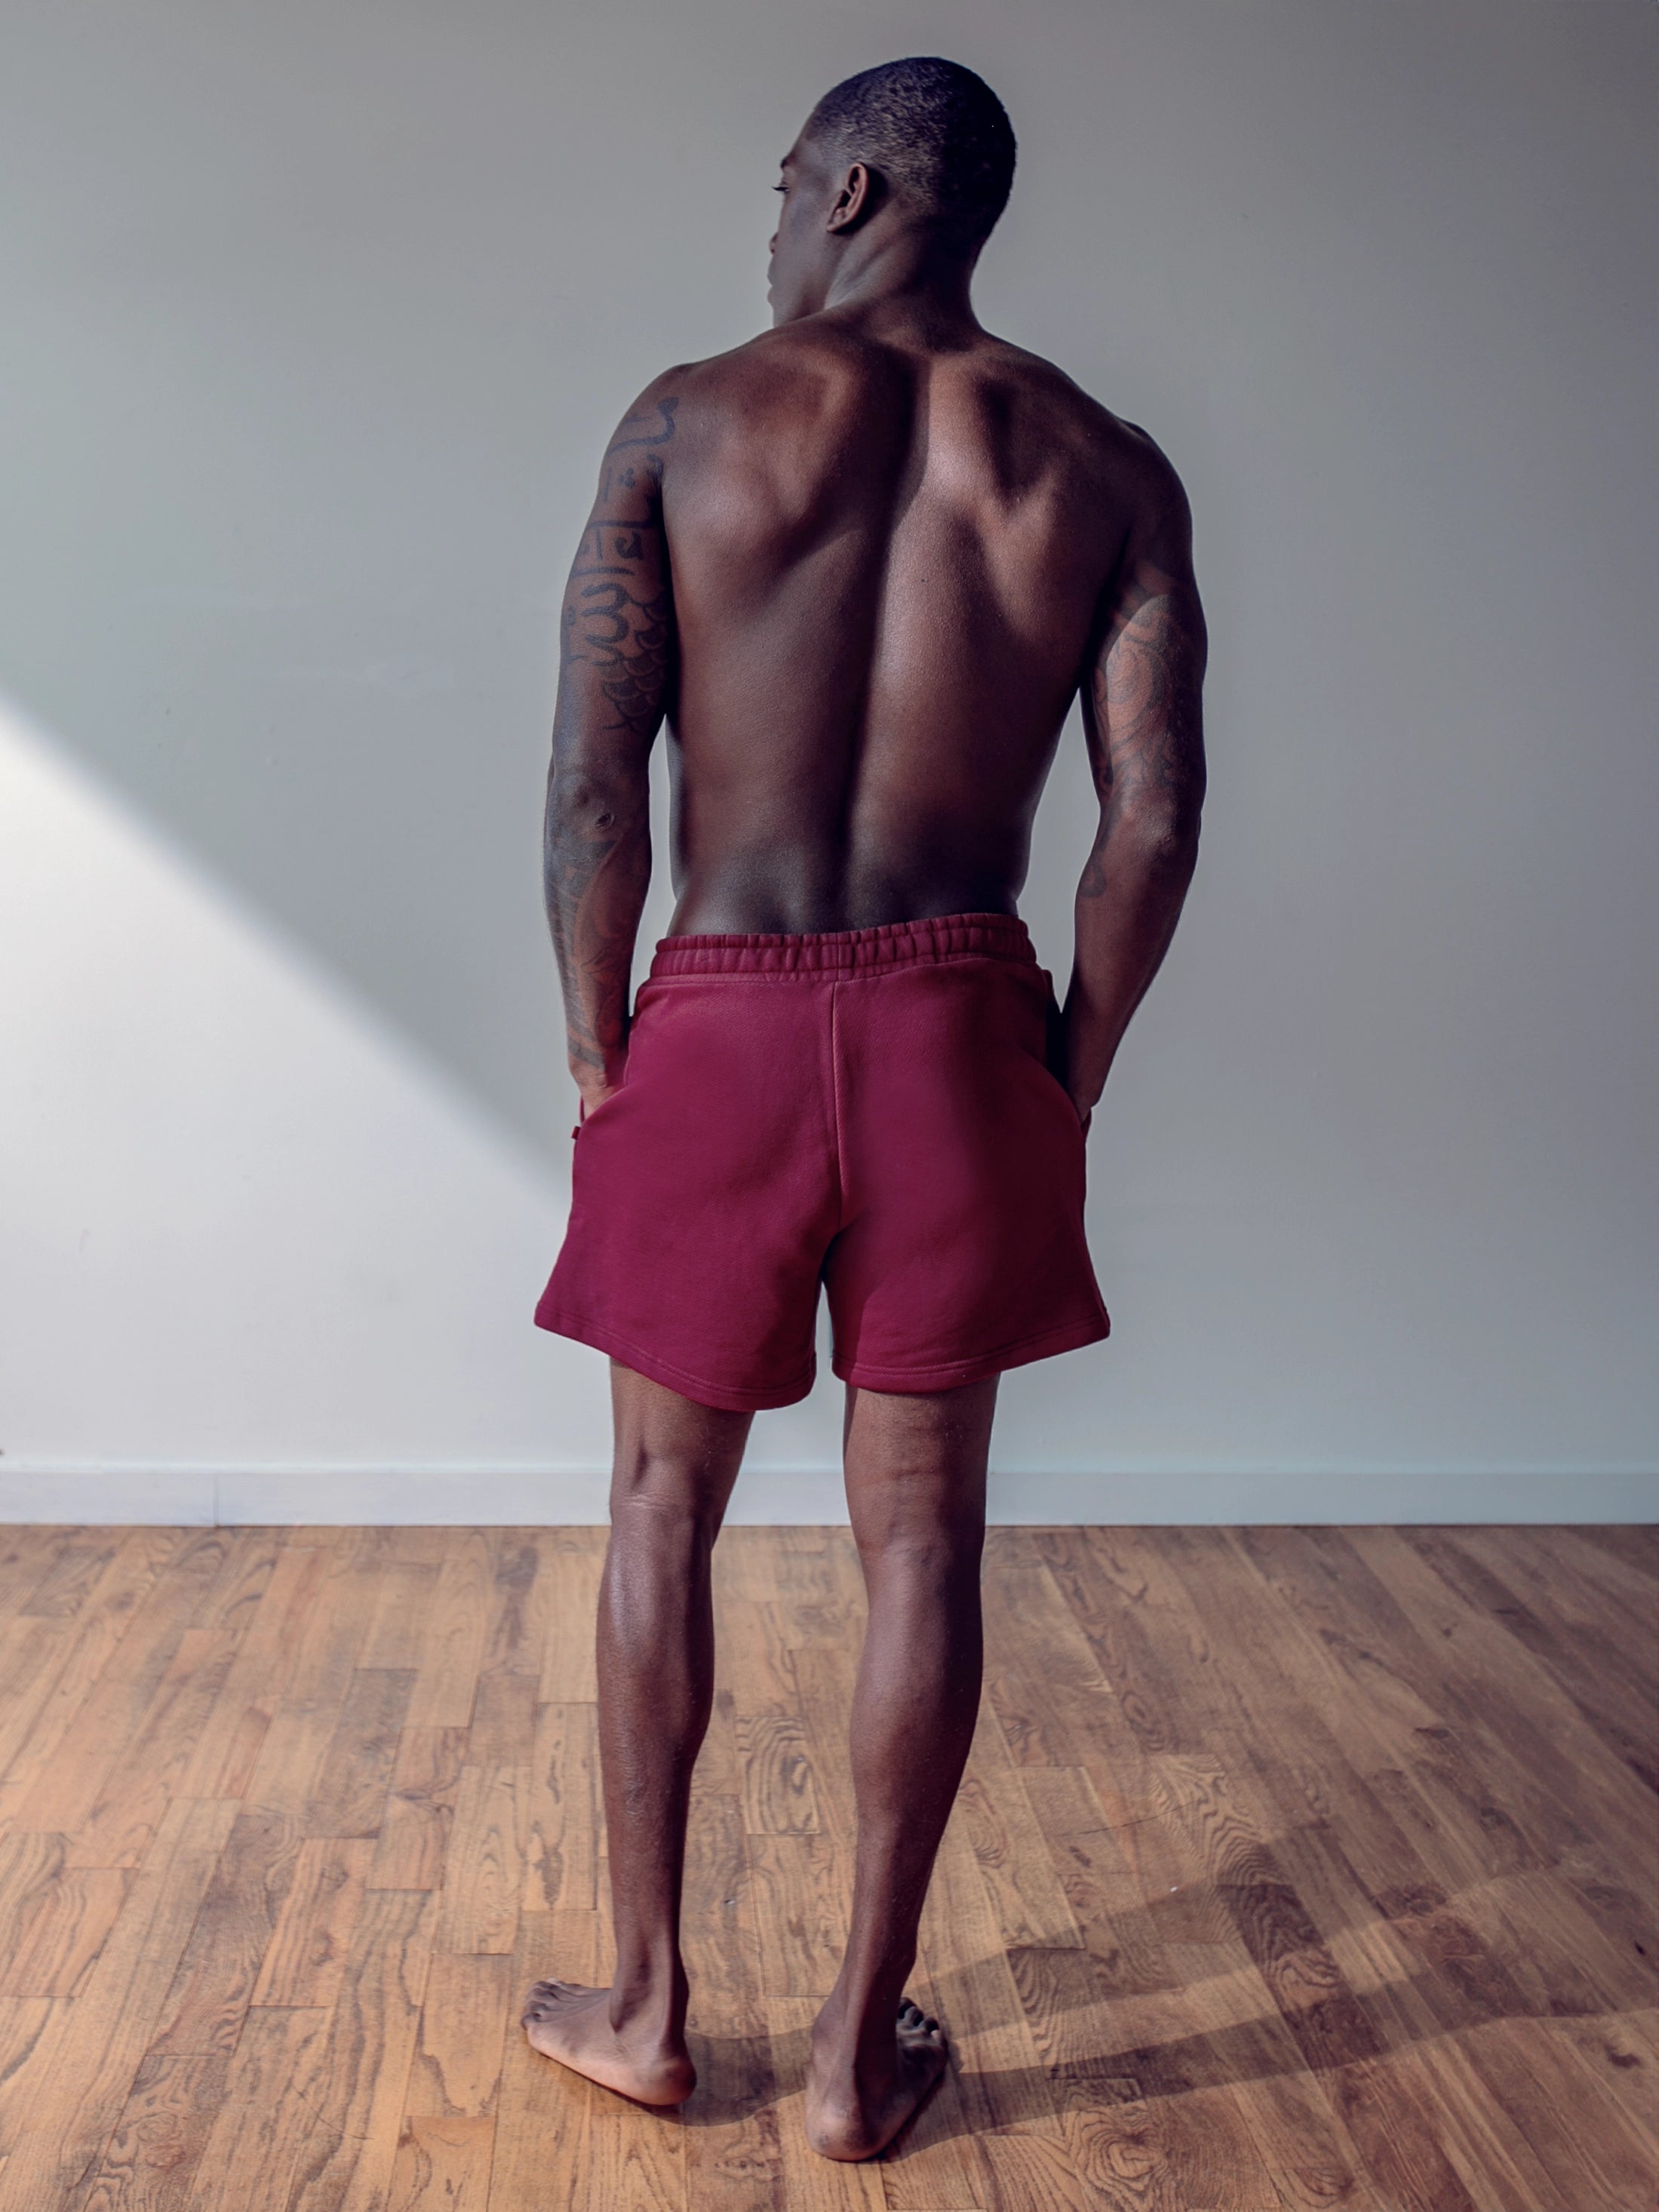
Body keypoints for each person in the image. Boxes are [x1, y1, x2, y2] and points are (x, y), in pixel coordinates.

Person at [522, 55, 1206, 2162]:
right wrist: (1069, 1060)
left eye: (783, 183)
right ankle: (845, 2058)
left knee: (659, 1508)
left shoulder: (684, 418)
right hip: (954, 1019)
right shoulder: (1097, 461)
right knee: (924, 1536)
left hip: (717, 1013)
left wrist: (595, 1044)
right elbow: (1155, 815)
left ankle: (647, 2012)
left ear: (852, 182)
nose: (769, 224)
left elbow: (588, 783)